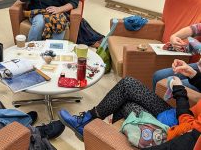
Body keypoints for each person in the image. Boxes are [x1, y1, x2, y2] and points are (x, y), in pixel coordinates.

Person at [58, 59, 201, 149]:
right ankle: (88, 120)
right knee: (128, 84)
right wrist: (194, 74)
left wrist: (179, 90)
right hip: (179, 115)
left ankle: (94, 129)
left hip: (173, 129)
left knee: (126, 106)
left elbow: (187, 130)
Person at [152, 23, 201, 92]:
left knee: (167, 86)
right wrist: (174, 37)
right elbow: (194, 28)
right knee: (158, 76)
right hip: (198, 67)